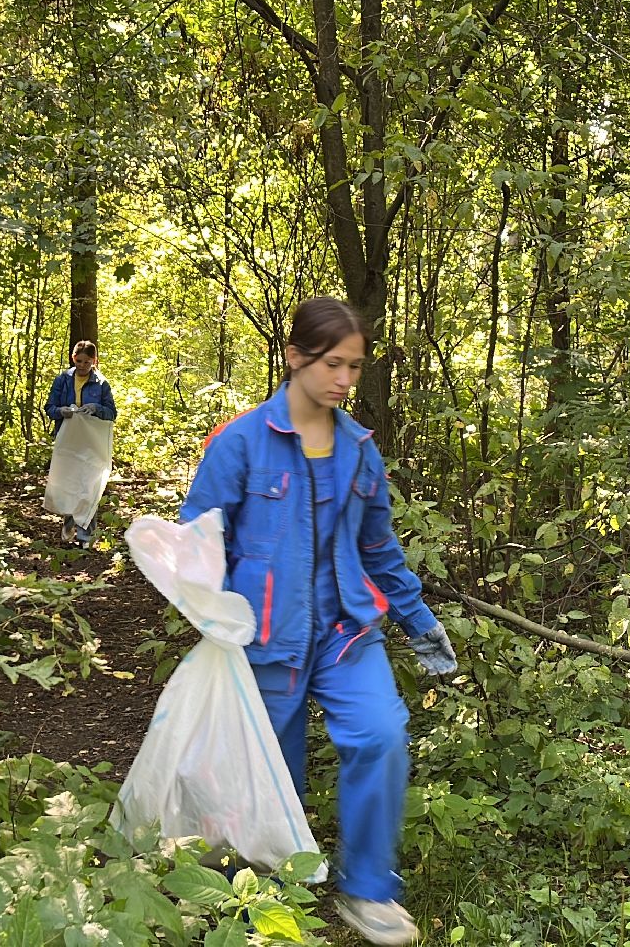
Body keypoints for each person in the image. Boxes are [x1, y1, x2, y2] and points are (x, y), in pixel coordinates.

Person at [179, 297, 457, 946]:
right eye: (333, 363)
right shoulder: (241, 441)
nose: (344, 379)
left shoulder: (360, 451)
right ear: (295, 356)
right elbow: (197, 541)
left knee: (381, 734)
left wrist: (418, 621)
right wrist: (217, 619)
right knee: (272, 771)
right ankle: (269, 895)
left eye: (354, 367)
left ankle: (369, 890)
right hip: (265, 639)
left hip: (345, 633)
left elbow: (379, 549)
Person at [45, 340, 118, 545]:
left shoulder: (101, 384)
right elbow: (50, 407)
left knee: (88, 488)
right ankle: (68, 531)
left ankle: (86, 538)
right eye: (79, 361)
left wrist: (96, 408)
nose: (82, 366)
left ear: (94, 361)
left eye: (87, 362)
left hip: (91, 444)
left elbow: (112, 413)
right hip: (67, 441)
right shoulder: (63, 380)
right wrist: (61, 411)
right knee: (69, 485)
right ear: (73, 359)